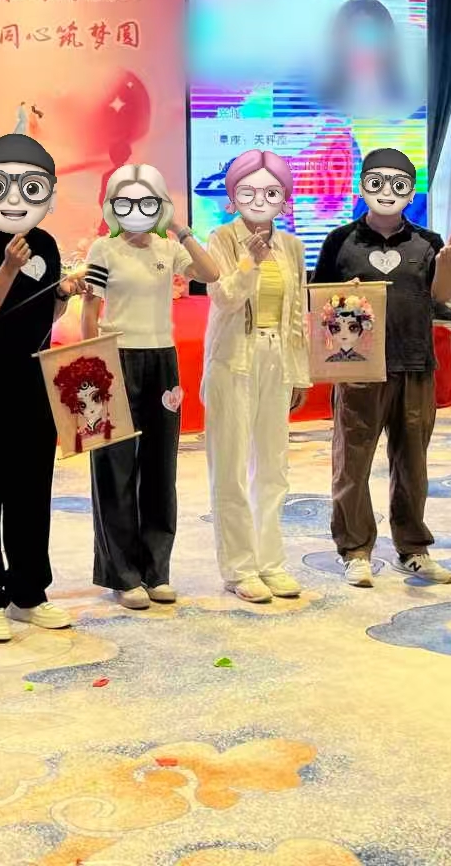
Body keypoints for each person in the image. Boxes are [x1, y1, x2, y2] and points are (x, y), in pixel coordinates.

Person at [0, 130, 85, 643]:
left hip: (34, 378)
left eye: (29, 187)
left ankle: (30, 593)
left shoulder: (45, 244)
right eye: (0, 186)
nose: (14, 199)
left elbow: (42, 316)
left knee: (32, 489)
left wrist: (63, 294)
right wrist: (7, 266)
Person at [313, 148, 451, 588]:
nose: (387, 191)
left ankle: (413, 548)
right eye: (377, 182)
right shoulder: (340, 240)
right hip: (357, 366)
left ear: (411, 192)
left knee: (412, 462)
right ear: (361, 187)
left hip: (415, 363)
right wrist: (344, 294)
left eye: (399, 184)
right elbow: (318, 302)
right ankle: (355, 549)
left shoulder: (428, 242)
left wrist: (447, 263)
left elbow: (442, 297)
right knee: (352, 461)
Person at [79, 163, 219, 609]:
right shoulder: (104, 249)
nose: (136, 210)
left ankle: (157, 569)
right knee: (114, 467)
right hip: (114, 358)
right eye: (126, 202)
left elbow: (211, 273)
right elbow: (89, 310)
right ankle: (122, 574)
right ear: (113, 206)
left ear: (160, 205)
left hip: (162, 361)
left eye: (147, 202)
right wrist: (92, 366)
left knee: (161, 467)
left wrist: (181, 229)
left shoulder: (168, 248)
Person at [202, 149, 311, 604]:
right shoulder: (221, 239)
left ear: (284, 198)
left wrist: (300, 372)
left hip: (276, 358)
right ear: (232, 196)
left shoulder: (292, 246)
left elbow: (298, 312)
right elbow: (225, 298)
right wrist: (249, 262)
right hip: (233, 361)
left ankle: (271, 561)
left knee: (273, 465)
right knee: (230, 466)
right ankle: (239, 567)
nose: (260, 200)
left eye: (271, 192)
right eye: (248, 191)